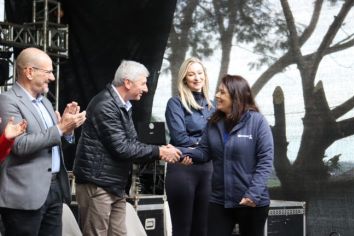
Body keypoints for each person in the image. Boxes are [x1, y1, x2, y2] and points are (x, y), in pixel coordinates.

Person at [73, 60, 181, 236]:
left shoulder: (121, 105)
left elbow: (131, 143)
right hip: (98, 185)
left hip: (114, 185)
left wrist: (160, 148)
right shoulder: (105, 105)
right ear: (128, 82)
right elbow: (122, 148)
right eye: (143, 83)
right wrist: (160, 152)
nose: (146, 89)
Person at [0, 47, 87, 236]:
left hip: (54, 189)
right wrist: (60, 128)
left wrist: (67, 131)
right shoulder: (7, 101)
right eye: (48, 72)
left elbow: (51, 144)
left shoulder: (46, 103)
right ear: (29, 72)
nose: (52, 78)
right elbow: (19, 146)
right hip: (24, 194)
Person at [180, 75, 274, 236]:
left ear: (236, 96)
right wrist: (180, 153)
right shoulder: (213, 123)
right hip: (219, 200)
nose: (217, 95)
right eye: (218, 91)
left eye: (222, 92)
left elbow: (266, 161)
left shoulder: (257, 122)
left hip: (252, 202)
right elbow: (203, 152)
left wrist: (253, 194)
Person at [164, 57, 214, 236]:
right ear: (184, 78)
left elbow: (217, 139)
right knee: (183, 230)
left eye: (200, 73)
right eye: (191, 74)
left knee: (203, 230)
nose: (196, 78)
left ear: (205, 76)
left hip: (208, 171)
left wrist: (199, 147)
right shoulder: (175, 103)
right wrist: (206, 145)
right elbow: (180, 137)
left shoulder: (212, 106)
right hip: (183, 169)